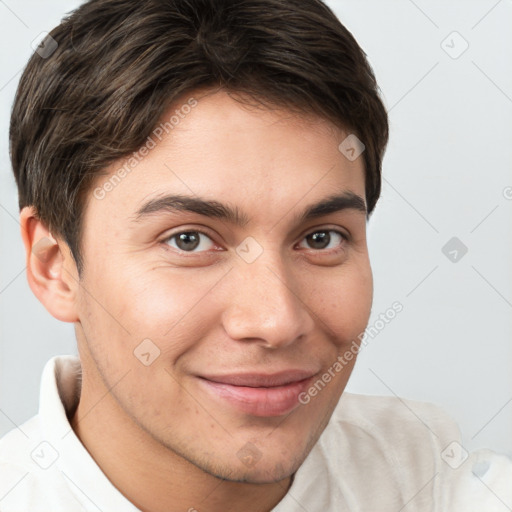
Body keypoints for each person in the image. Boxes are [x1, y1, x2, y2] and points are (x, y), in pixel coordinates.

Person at [1, 0, 510, 510]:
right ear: (55, 268)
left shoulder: (438, 486)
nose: (276, 321)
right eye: (189, 240)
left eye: (320, 238)